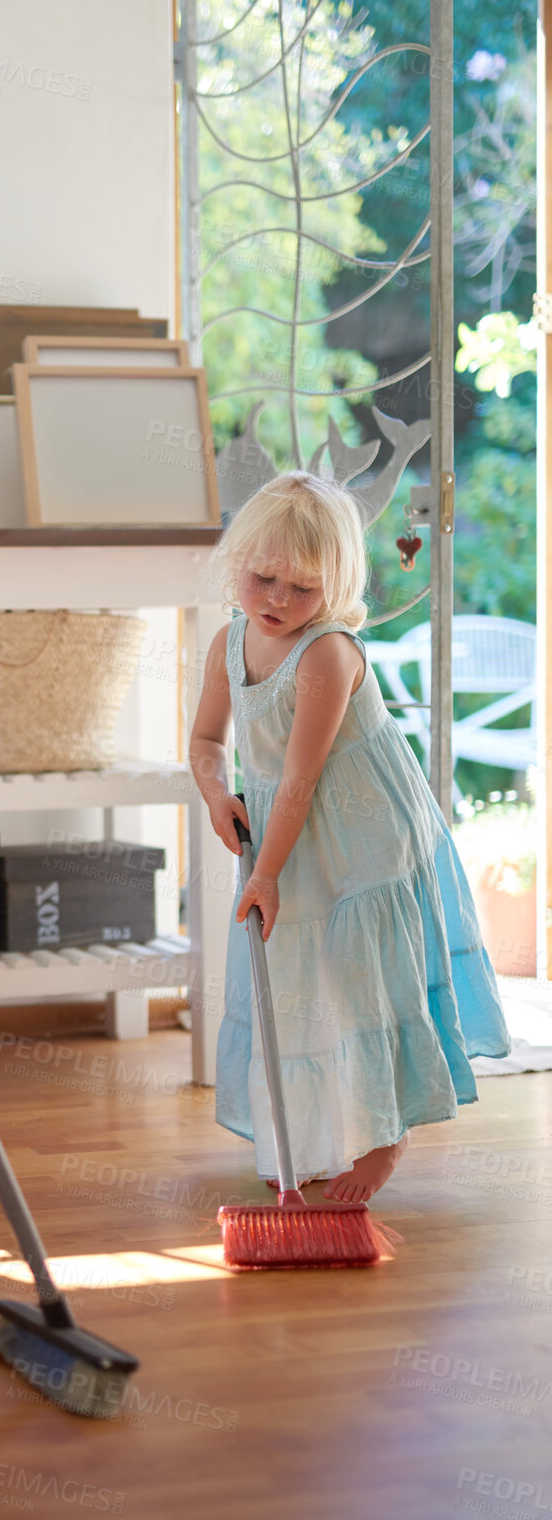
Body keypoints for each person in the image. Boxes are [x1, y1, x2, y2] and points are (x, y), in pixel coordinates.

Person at [189, 471, 509, 1202]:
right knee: (295, 976)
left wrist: (264, 874)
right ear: (238, 560)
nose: (275, 600)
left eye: (300, 589)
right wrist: (215, 793)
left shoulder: (326, 654)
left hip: (360, 831)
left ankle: (383, 1138)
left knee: (360, 981)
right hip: (283, 829)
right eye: (262, 577)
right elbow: (206, 738)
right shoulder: (228, 641)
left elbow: (300, 780)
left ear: (332, 587)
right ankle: (302, 1137)